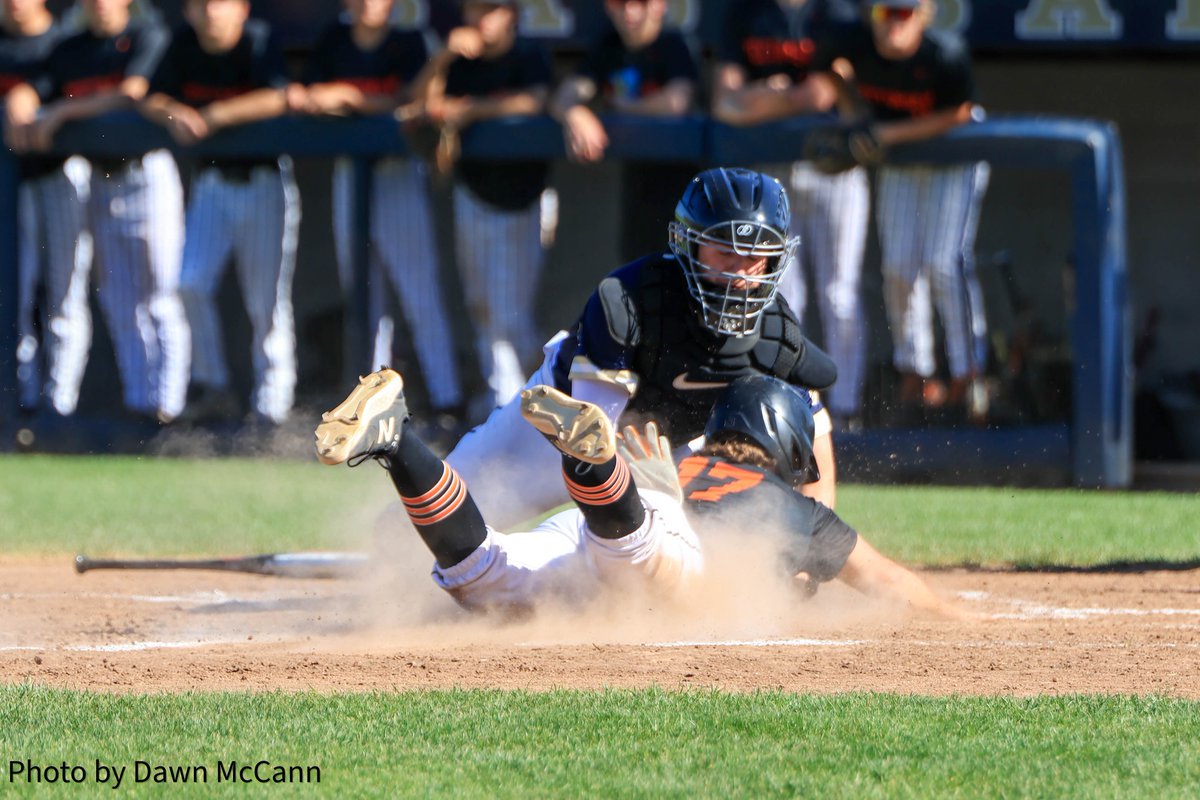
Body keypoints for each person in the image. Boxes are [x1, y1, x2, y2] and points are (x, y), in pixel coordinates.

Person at [314, 367, 967, 619]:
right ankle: (596, 469)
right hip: (643, 524)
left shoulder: (681, 457)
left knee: (481, 576)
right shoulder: (787, 507)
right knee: (643, 562)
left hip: (600, 514)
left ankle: (399, 442)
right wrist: (961, 623)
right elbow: (888, 581)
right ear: (788, 447)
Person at [445, 166, 841, 531]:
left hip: (669, 455)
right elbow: (591, 439)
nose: (739, 271)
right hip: (558, 433)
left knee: (703, 552)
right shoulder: (631, 300)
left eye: (756, 254)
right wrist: (655, 491)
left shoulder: (776, 333)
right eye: (724, 250)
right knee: (439, 518)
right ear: (687, 243)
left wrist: (812, 542)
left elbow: (814, 432)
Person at [5, 0, 188, 422]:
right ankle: (141, 407)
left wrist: (62, 110)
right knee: (120, 301)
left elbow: (132, 92)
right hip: (99, 179)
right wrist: (23, 97)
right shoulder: (73, 47)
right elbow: (39, 82)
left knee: (161, 294)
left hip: (148, 170)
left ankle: (171, 405)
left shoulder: (148, 34)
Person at [812, 0, 990, 421]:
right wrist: (855, 110)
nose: (893, 23)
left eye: (904, 13)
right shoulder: (853, 42)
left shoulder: (943, 53)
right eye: (884, 12)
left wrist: (885, 131)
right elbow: (826, 68)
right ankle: (917, 371)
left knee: (944, 264)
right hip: (901, 160)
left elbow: (960, 112)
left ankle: (970, 373)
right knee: (899, 267)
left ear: (924, 15)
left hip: (953, 154)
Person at [299, 0, 465, 427]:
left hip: (397, 174)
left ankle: (448, 400)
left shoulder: (408, 42)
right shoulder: (334, 39)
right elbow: (311, 97)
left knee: (419, 291)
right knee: (363, 295)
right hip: (349, 172)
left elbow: (411, 104)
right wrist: (335, 100)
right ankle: (367, 405)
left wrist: (353, 98)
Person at [140, 0, 301, 424]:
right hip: (212, 184)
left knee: (265, 302)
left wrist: (214, 116)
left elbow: (280, 96)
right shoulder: (182, 44)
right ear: (190, 12)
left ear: (241, 9)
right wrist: (176, 112)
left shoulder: (258, 40)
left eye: (221, 3)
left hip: (264, 184)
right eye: (202, 4)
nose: (212, 11)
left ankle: (272, 405)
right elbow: (149, 97)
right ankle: (214, 386)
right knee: (189, 284)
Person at [712, 0, 869, 428]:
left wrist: (762, 97)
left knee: (840, 294)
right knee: (781, 295)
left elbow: (826, 93)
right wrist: (785, 96)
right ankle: (790, 405)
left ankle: (848, 410)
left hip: (834, 168)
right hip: (772, 173)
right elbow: (725, 102)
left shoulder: (836, 12)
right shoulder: (744, 13)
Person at [409, 0, 553, 413]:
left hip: (528, 198)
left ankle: (525, 401)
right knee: (482, 304)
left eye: (492, 10)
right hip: (473, 191)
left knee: (513, 315)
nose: (482, 20)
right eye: (476, 10)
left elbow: (535, 101)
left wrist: (472, 110)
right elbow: (420, 106)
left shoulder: (527, 54)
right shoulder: (459, 61)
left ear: (511, 15)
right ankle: (503, 403)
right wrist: (443, 56)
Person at [548, 0, 699, 260]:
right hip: (634, 188)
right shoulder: (609, 46)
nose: (630, 11)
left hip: (685, 191)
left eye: (640, 2)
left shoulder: (672, 44)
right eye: (620, 2)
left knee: (683, 275)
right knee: (636, 271)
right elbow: (563, 98)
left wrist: (621, 106)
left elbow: (676, 102)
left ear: (659, 5)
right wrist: (576, 113)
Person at [1, 0, 93, 417]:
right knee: (11, 298)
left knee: (64, 297)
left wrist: (33, 99)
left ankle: (61, 407)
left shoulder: (65, 44)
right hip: (8, 185)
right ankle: (21, 400)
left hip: (59, 176)